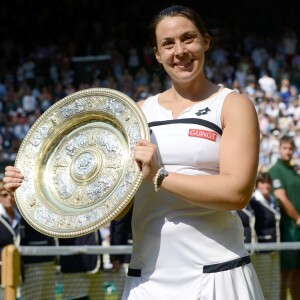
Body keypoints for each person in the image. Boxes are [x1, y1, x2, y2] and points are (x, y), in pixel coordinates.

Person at [3, 5, 264, 299]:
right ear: (157, 54)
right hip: (147, 280)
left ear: (206, 42)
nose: (179, 51)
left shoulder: (232, 104)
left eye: (188, 38)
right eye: (168, 43)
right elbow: (113, 203)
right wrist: (32, 191)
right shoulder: (136, 114)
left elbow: (237, 192)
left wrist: (161, 176)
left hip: (219, 272)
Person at [268, 135, 300, 300]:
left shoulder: (294, 171)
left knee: (297, 272)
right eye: (285, 148)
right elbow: (281, 197)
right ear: (279, 149)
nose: (288, 152)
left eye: (290, 148)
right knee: (284, 273)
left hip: (297, 229)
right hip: (287, 228)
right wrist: (297, 218)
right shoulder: (275, 170)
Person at [250, 172, 281, 300]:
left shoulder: (273, 200)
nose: (266, 185)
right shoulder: (254, 201)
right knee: (263, 283)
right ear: (257, 185)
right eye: (263, 182)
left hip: (275, 247)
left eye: (268, 182)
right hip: (262, 248)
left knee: (274, 282)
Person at [0, 181, 21, 300]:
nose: (9, 198)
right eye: (4, 195)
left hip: (18, 273)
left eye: (12, 195)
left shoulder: (20, 218)